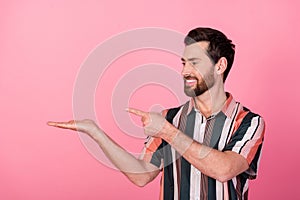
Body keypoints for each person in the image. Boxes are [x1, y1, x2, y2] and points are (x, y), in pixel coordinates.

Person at [48, 27, 265, 200]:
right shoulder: (169, 119)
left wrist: (167, 133)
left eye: (194, 63)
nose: (184, 71)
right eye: (183, 63)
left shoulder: (249, 122)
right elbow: (142, 175)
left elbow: (224, 170)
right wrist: (96, 133)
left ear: (220, 66)